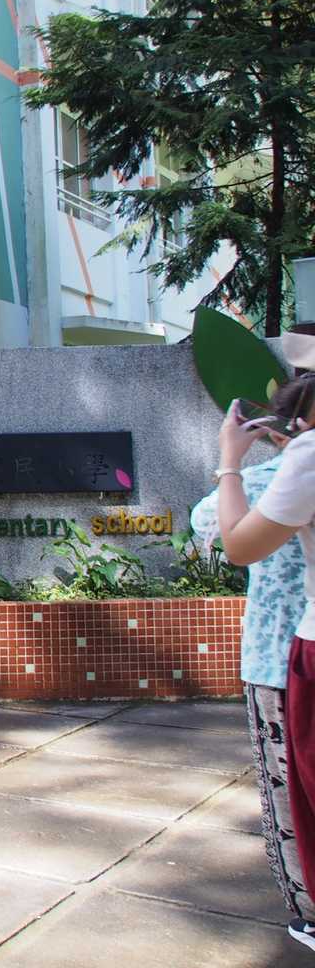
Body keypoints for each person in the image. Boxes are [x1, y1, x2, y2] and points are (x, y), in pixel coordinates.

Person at [192, 376, 311, 934]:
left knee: (292, 798)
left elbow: (211, 526)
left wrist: (230, 463)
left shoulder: (275, 477)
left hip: (278, 655)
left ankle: (307, 908)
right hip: (297, 651)